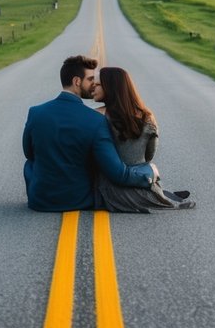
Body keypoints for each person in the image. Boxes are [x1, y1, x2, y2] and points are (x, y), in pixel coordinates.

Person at [23, 55, 158, 212]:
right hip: (79, 200)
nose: (94, 85)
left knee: (30, 164)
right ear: (77, 82)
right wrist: (149, 172)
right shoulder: (95, 120)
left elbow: (29, 154)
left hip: (39, 201)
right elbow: (117, 172)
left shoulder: (36, 112)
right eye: (90, 79)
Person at [92, 66, 195, 212]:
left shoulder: (97, 116)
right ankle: (162, 195)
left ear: (110, 87)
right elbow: (149, 156)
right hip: (141, 177)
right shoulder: (148, 116)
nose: (92, 88)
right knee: (148, 180)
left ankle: (164, 197)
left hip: (111, 186)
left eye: (97, 84)